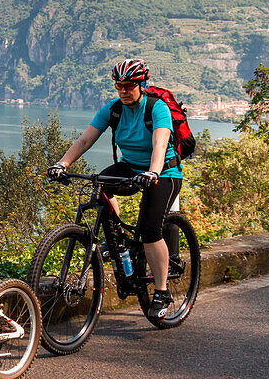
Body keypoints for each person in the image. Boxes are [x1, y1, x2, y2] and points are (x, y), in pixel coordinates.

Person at [46, 58, 182, 319]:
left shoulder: (157, 108)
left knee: (151, 232)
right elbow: (85, 139)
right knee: (99, 187)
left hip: (163, 171)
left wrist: (152, 172)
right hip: (131, 166)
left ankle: (162, 292)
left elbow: (160, 143)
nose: (122, 90)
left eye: (128, 86)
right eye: (119, 85)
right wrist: (62, 163)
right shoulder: (113, 109)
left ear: (141, 85)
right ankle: (117, 240)